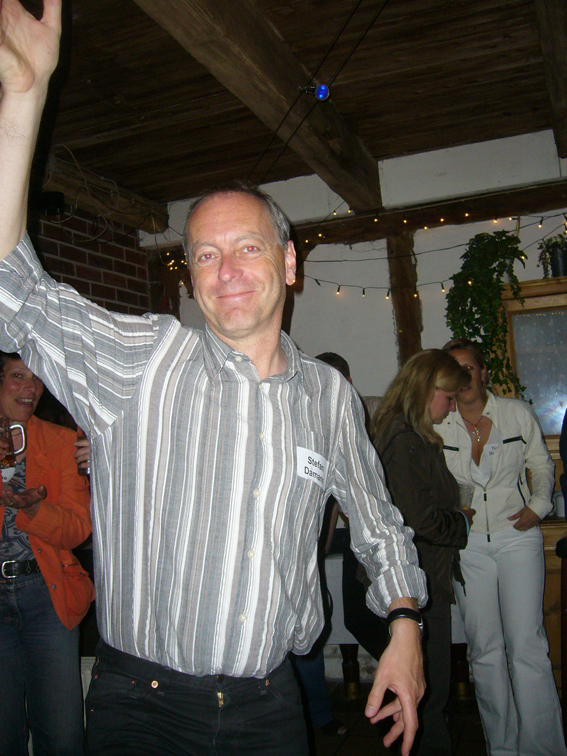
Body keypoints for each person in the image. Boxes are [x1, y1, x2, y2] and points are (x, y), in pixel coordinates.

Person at [0, 3, 428, 756]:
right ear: (190, 276)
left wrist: (405, 625)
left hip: (270, 705)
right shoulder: (143, 359)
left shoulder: (327, 397)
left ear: (288, 264)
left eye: (248, 248)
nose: (226, 270)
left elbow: (378, 522)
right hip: (144, 708)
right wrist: (25, 96)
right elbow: (14, 286)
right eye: (205, 254)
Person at [440, 337, 566, 756]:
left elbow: (541, 464)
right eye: (455, 370)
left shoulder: (516, 413)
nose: (464, 377)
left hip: (517, 539)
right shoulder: (439, 424)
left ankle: (543, 749)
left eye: (469, 367)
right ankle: (503, 747)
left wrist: (539, 506)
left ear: (483, 372)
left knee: (527, 645)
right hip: (468, 546)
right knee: (484, 651)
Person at [370, 349, 474, 756]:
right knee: (428, 697)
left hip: (419, 577)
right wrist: (461, 523)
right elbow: (422, 520)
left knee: (423, 696)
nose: (452, 407)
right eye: (449, 397)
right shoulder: (404, 439)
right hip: (417, 581)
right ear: (427, 389)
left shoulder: (406, 433)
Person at [0, 351, 93, 756]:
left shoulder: (60, 441)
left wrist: (35, 509)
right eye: (18, 376)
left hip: (46, 596)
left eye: (36, 378)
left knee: (61, 734)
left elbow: (78, 528)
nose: (31, 387)